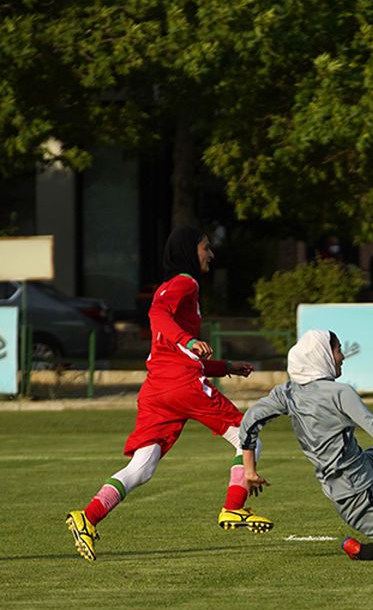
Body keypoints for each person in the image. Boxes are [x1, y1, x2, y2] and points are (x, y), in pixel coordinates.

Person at [65, 226, 272, 562]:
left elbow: (172, 355)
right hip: (181, 385)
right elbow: (157, 314)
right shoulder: (185, 283)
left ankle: (87, 517)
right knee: (249, 439)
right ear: (191, 251)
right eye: (206, 247)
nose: (211, 254)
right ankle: (234, 508)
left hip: (157, 389)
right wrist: (188, 340)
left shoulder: (173, 288)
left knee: (143, 466)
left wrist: (226, 366)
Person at [238, 328, 373, 562]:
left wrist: (249, 470)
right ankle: (359, 550)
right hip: (358, 495)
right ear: (322, 354)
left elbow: (250, 421)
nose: (342, 356)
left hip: (366, 468)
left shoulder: (288, 392)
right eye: (338, 350)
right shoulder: (339, 392)